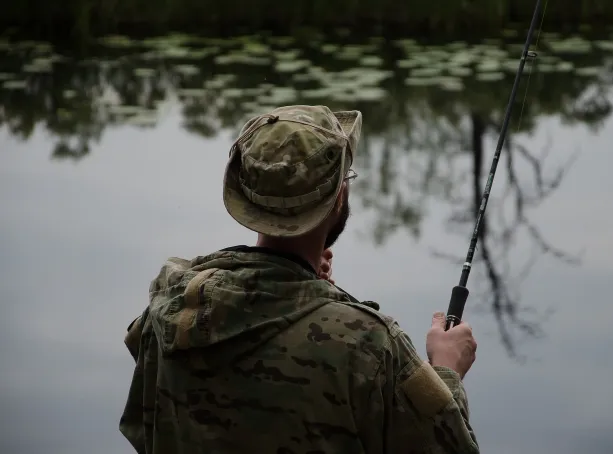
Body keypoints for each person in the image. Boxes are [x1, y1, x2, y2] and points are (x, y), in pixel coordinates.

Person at [119, 105, 480, 453]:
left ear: (246, 199)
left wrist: (311, 290)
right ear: (339, 198)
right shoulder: (370, 345)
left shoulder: (167, 313)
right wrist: (446, 370)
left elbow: (141, 430)